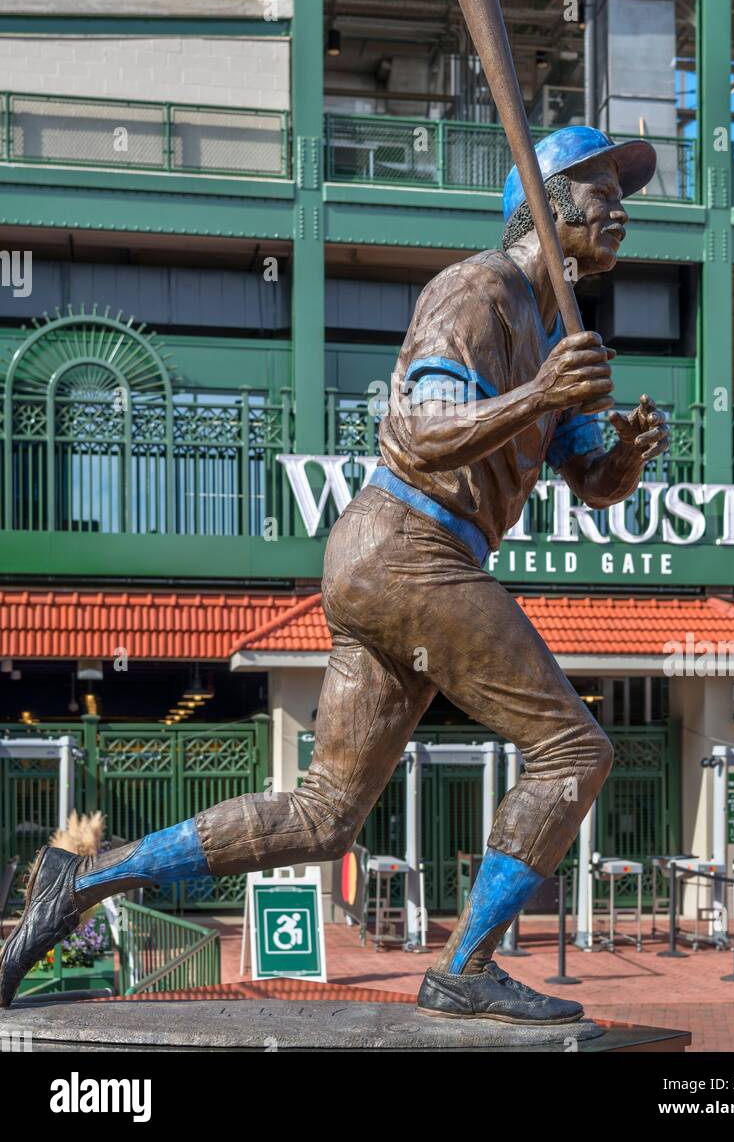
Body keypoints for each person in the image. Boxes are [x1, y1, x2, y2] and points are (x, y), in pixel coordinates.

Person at [0, 126, 669, 1023]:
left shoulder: (560, 327)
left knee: (323, 818)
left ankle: (81, 879)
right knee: (574, 747)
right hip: (409, 543)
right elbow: (419, 435)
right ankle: (463, 966)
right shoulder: (475, 291)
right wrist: (540, 394)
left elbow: (593, 486)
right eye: (597, 191)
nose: (617, 210)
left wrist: (622, 451)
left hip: (398, 560)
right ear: (543, 208)